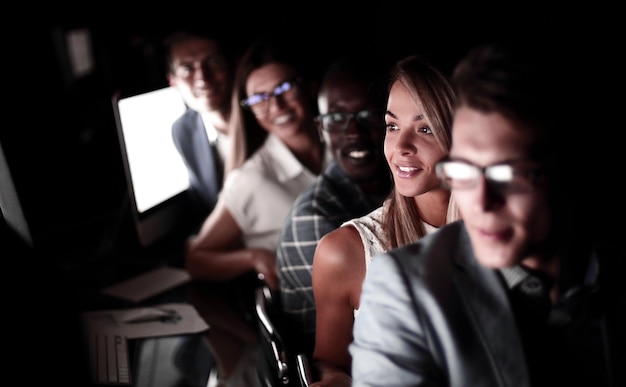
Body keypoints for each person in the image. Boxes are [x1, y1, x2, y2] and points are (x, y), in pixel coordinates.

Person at [350, 38, 625, 387]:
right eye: (463, 171)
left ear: (569, 172)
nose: (479, 203)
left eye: (506, 175)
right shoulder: (406, 290)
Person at [310, 54, 460, 386]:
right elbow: (329, 364)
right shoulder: (345, 251)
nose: (400, 146)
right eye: (392, 126)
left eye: (425, 128)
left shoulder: (507, 237)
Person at [185, 37, 329, 291]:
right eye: (259, 99)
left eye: (284, 88)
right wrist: (254, 257)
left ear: (309, 85)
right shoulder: (252, 179)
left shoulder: (344, 143)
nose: (276, 106)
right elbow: (196, 259)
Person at [275, 53, 393, 359]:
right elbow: (387, 335)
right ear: (321, 128)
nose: (354, 133)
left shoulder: (384, 192)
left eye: (368, 115)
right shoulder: (317, 222)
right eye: (337, 118)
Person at [165, 31, 234, 217]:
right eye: (187, 69)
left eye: (212, 62)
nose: (203, 78)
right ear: (173, 81)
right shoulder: (183, 131)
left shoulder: (263, 115)